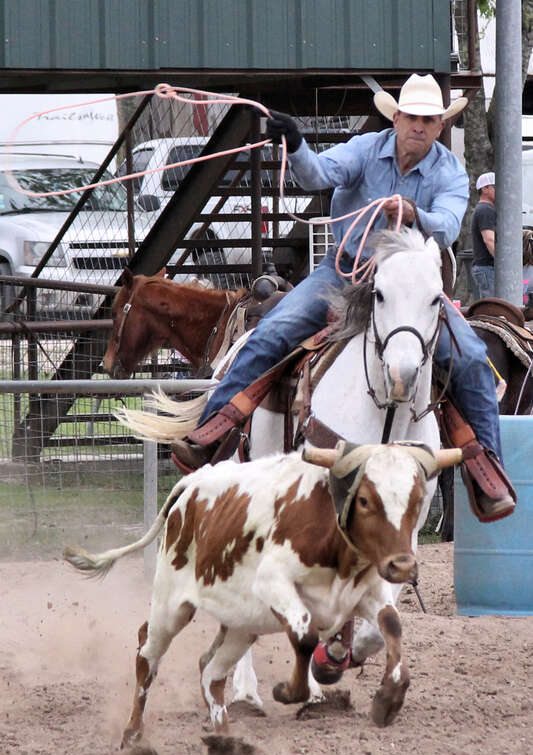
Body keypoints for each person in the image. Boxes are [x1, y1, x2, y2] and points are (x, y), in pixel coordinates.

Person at [171, 73, 515, 520]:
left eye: (429, 119)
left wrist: (415, 213)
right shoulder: (366, 150)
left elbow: (448, 224)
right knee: (274, 329)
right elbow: (318, 174)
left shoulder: (448, 170)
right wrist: (295, 144)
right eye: (411, 116)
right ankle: (212, 434)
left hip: (410, 284)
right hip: (345, 272)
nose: (419, 126)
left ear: (438, 126)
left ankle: (488, 470)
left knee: (470, 358)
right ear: (397, 118)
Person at [471, 172, 496, 299]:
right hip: (487, 268)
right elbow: (489, 239)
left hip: (485, 268)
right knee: (493, 309)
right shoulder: (486, 210)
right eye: (495, 187)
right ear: (484, 189)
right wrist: (503, 263)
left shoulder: (483, 209)